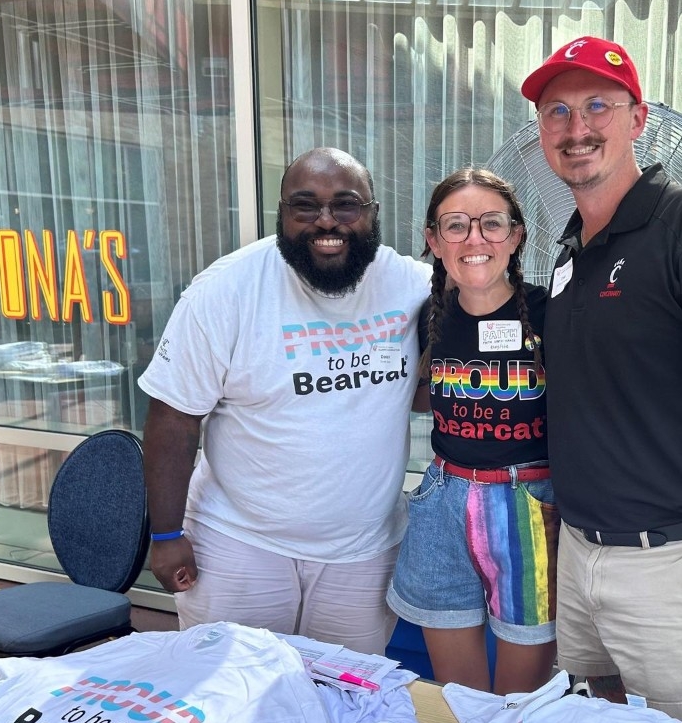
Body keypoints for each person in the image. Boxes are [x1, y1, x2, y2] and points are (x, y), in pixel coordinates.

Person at [521, 37, 682, 722]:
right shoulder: (568, 249)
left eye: (597, 106)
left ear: (638, 119)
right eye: (557, 112)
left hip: (672, 562)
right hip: (580, 552)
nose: (577, 129)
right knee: (591, 710)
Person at [137, 147, 431, 655]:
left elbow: (438, 379)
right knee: (235, 701)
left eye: (346, 205)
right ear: (281, 214)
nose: (326, 221)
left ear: (373, 212)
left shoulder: (413, 285)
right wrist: (165, 536)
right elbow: (173, 419)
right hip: (238, 545)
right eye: (304, 206)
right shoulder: (226, 290)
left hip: (363, 554)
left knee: (347, 702)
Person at [387, 169, 556, 693]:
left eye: (491, 224)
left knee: (517, 704)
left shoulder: (553, 314)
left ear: (517, 235)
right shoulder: (426, 317)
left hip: (529, 503)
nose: (475, 239)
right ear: (434, 242)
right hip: (443, 500)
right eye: (456, 226)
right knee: (460, 699)